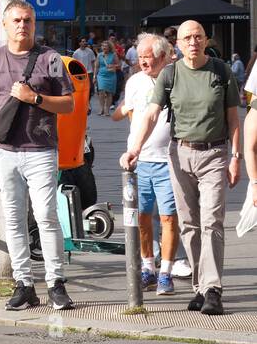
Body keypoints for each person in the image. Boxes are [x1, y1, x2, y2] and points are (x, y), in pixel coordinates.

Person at [123, 20, 241, 316]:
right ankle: (200, 286)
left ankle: (213, 289)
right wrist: (135, 147)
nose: (193, 42)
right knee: (188, 224)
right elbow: (150, 114)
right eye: (187, 37)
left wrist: (235, 156)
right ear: (178, 43)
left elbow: (232, 118)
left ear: (205, 40)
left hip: (214, 152)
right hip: (180, 154)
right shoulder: (170, 74)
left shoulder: (222, 72)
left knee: (212, 221)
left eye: (198, 37)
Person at [0, 0, 76, 312]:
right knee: (13, 220)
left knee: (46, 216)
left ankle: (56, 282)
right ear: (4, 25)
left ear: (35, 24)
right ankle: (24, 284)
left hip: (41, 150)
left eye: (28, 20)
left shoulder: (50, 59)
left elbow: (69, 104)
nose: (22, 25)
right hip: (5, 152)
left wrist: (36, 97)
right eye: (16, 20)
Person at [113, 34, 184, 295]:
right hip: (140, 161)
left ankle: (166, 271)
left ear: (164, 57)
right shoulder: (134, 82)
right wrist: (136, 143)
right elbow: (129, 112)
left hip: (168, 160)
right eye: (140, 57)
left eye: (149, 57)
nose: (144, 61)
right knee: (141, 217)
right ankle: (148, 268)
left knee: (168, 217)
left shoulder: (176, 80)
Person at [94, 41, 118, 116]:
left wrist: (112, 66)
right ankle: (101, 109)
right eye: (103, 46)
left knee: (109, 93)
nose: (104, 47)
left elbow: (118, 64)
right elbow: (96, 66)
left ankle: (107, 110)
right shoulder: (99, 55)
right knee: (101, 91)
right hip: (101, 76)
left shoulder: (113, 55)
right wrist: (94, 76)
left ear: (109, 47)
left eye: (106, 46)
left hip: (111, 76)